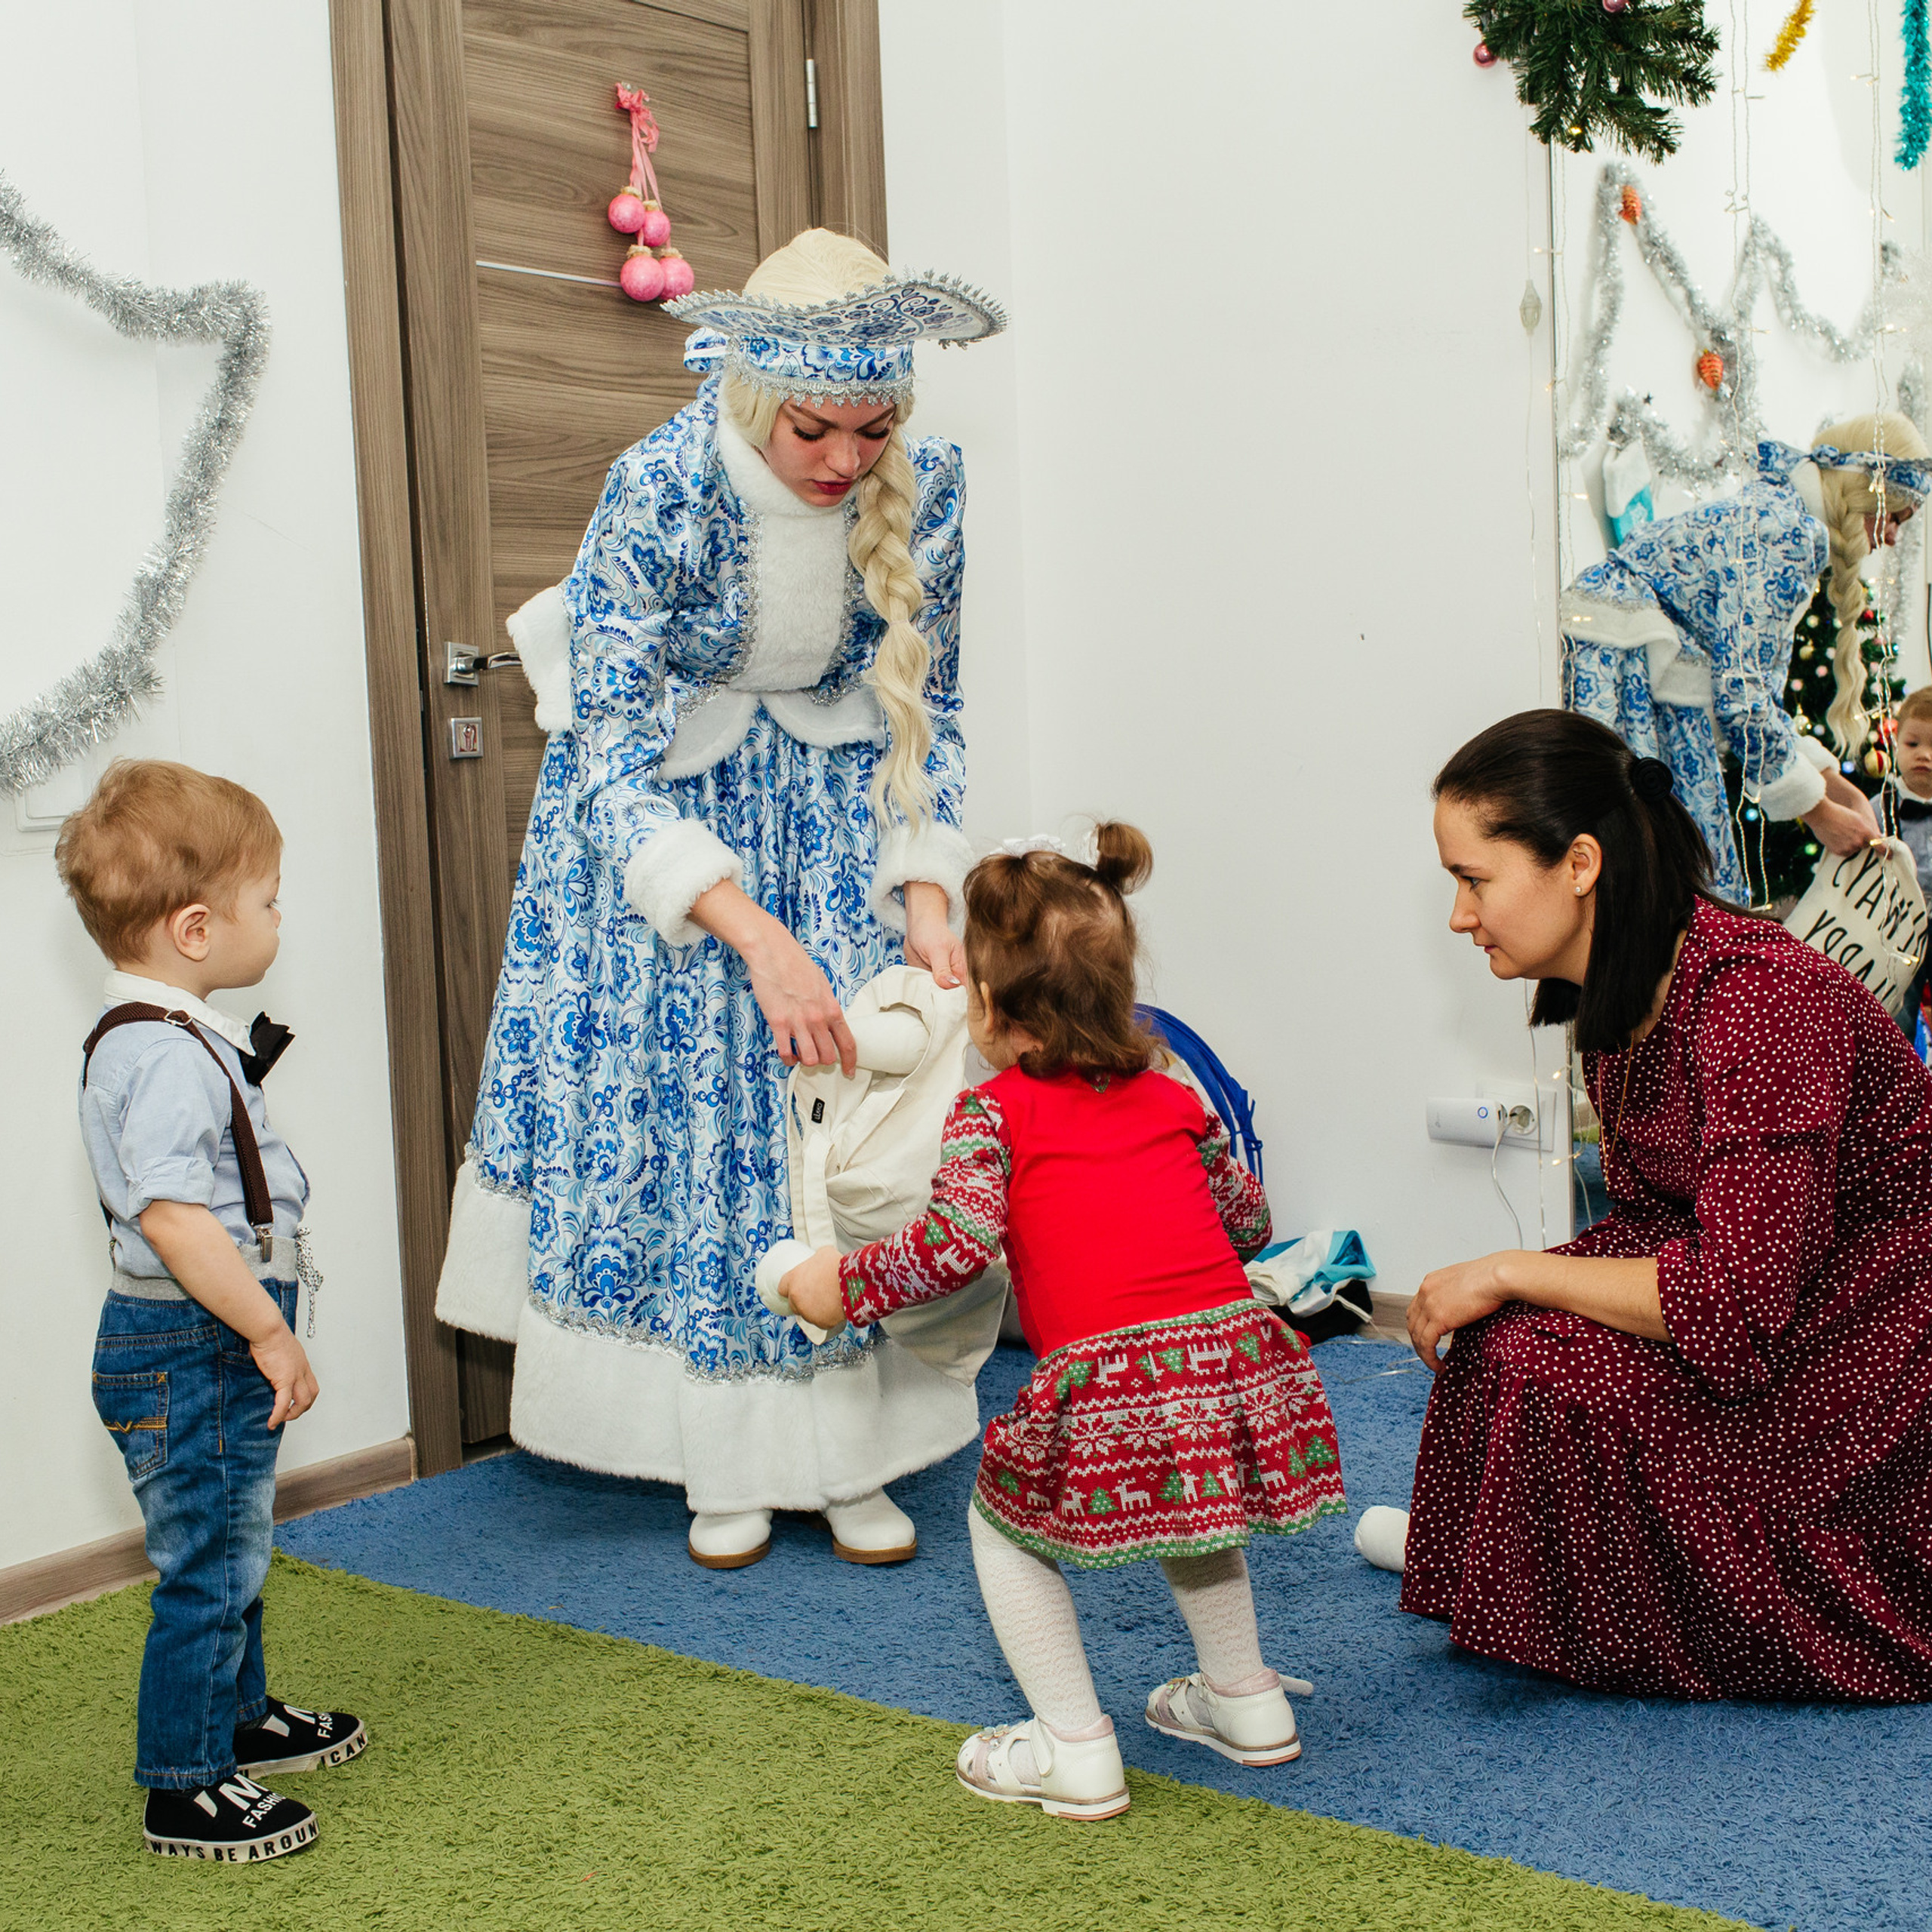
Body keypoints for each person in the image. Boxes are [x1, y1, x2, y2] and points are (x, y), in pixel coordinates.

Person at [433, 230, 1006, 1571]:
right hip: (680, 848)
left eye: (873, 431)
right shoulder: (661, 486)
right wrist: (744, 933)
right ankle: (723, 1459)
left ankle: (847, 1453)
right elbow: (607, 761)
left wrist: (928, 890)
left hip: (831, 817)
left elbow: (937, 707)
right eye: (816, 429)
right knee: (713, 1125)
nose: (843, 461)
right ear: (757, 400)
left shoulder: (929, 492)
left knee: (846, 1131)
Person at [781, 826, 1345, 1819]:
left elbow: (951, 1248)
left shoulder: (993, 1117)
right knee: (1194, 1498)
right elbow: (1250, 1221)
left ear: (992, 1009)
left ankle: (1074, 1749)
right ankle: (1247, 1700)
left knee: (1004, 1531)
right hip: (1231, 1360)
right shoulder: (1171, 1092)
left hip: (1108, 1375)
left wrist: (845, 1284)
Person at [1401, 708, 1932, 1700]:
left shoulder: (1755, 999)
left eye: (1474, 881)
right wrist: (1521, 1292)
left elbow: (1735, 1302)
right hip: (1783, 1289)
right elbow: (1664, 1221)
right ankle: (1513, 1558)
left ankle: (1587, 1586)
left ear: (1581, 864)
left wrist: (1513, 1267)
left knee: (1544, 1367)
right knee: (1505, 1342)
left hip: (1881, 1331)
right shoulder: (1624, 986)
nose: (1460, 918)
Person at [55, 760, 364, 1860]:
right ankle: (183, 1784)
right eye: (268, 900)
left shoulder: (167, 1038)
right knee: (209, 1564)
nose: (280, 919)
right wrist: (268, 1330)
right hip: (194, 1340)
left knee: (236, 1542)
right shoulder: (166, 1057)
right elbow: (179, 1223)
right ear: (196, 928)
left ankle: (238, 1717)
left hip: (197, 1338)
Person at [1561, 415, 1929, 904]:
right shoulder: (1788, 534)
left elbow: (1752, 686)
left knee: (1681, 872)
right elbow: (1743, 694)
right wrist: (1818, 812)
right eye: (1896, 517)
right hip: (1630, 667)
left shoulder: (1778, 511)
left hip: (1642, 663)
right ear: (1865, 492)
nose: (1892, 538)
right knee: (1667, 876)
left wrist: (1831, 783)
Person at [1881, 685, 1932, 1038]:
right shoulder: (1875, 808)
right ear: (1896, 744)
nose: (1924, 755)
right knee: (1895, 1013)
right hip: (1898, 931)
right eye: (1913, 744)